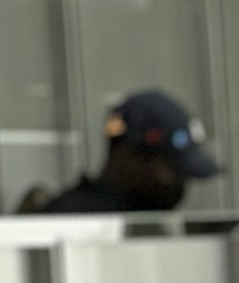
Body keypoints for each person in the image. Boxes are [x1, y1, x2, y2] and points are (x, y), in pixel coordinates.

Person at [25, 90, 222, 214]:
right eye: (172, 169)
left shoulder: (142, 221)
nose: (178, 185)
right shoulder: (75, 219)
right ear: (128, 156)